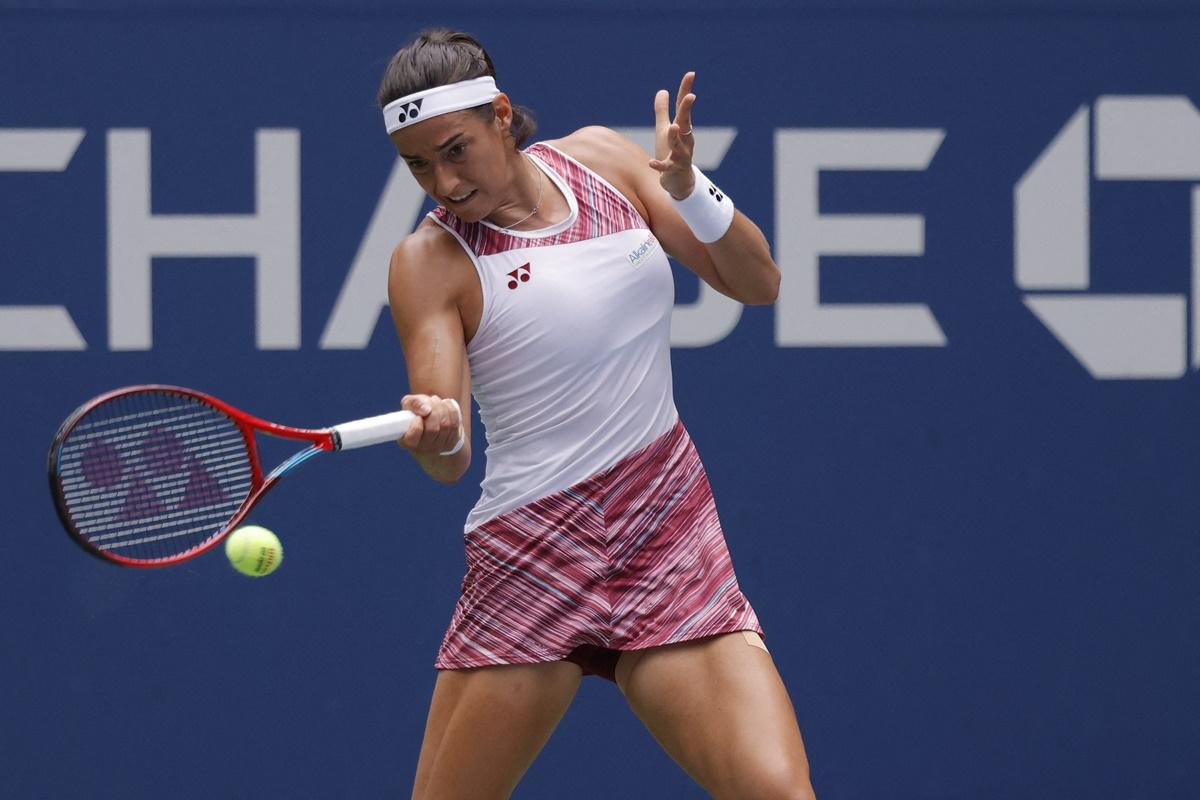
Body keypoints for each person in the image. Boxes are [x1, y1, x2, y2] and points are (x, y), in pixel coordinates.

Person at [380, 29, 816, 800]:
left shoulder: (605, 161)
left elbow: (759, 282)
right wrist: (439, 434)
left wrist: (688, 189)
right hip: (535, 553)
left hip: (664, 525)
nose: (442, 183)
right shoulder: (430, 261)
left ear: (502, 115)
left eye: (454, 150)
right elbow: (448, 459)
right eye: (418, 164)